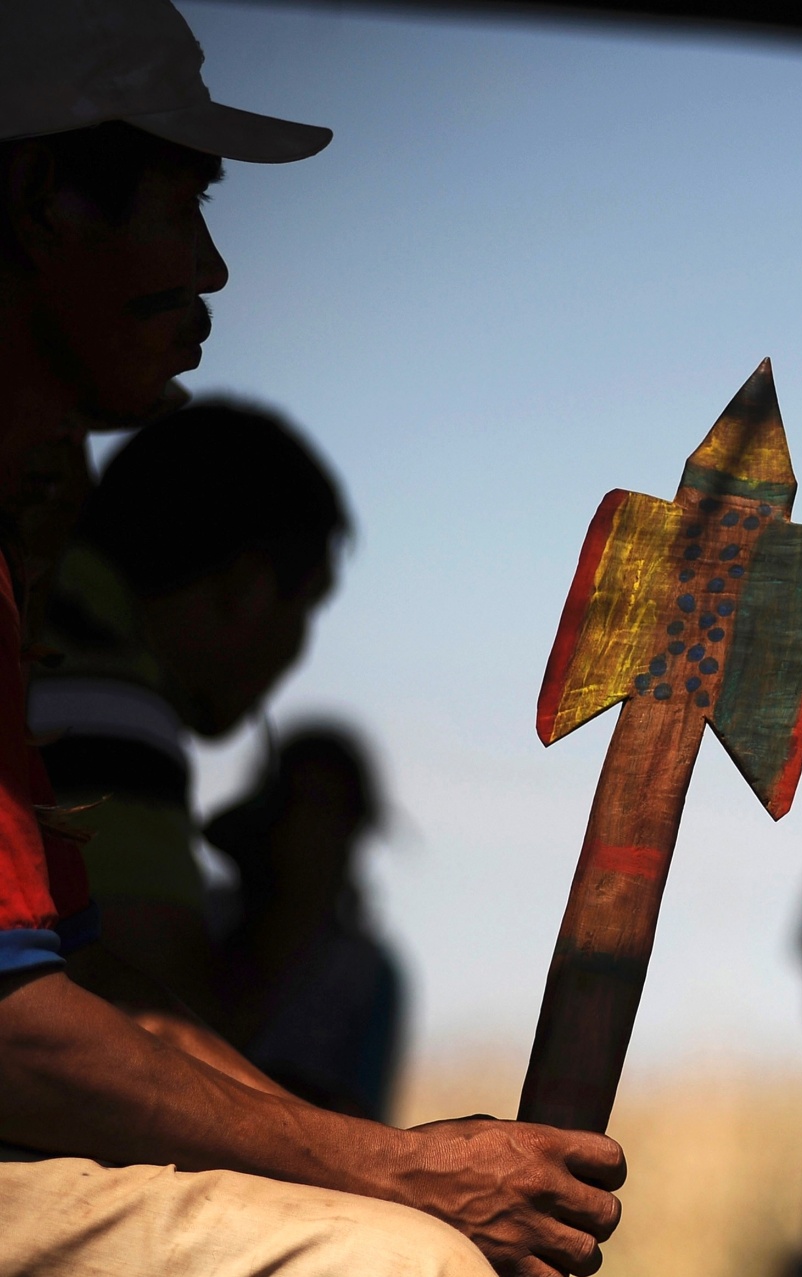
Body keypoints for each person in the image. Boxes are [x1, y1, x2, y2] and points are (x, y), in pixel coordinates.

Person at [0, 3, 623, 1273]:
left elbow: (102, 989)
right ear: (41, 196)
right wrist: (399, 1177)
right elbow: (24, 1034)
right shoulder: (98, 678)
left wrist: (413, 1167)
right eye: (184, 208)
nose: (216, 268)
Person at [31, 400, 348, 1026]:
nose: (298, 648)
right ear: (249, 591)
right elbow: (158, 1045)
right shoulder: (100, 687)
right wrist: (291, 905)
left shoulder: (52, 617)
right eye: (306, 607)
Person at [207, 723, 406, 1121]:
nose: (314, 832)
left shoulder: (367, 973)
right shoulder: (207, 921)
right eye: (302, 806)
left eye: (332, 811)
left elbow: (364, 1121)